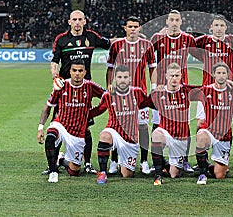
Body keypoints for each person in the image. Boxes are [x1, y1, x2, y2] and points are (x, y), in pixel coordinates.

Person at [41, 10, 110, 175]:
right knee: (57, 126)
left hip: (84, 89)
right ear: (69, 21)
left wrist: (129, 38)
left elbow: (110, 43)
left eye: (80, 19)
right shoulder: (62, 39)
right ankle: (53, 164)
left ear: (85, 21)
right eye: (74, 19)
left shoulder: (91, 37)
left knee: (85, 127)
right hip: (64, 90)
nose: (77, 22)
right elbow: (54, 61)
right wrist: (55, 78)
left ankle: (86, 163)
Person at [36, 59, 106, 183]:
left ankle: (61, 159)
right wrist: (41, 127)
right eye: (74, 70)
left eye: (80, 71)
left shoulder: (90, 86)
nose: (77, 73)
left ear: (85, 72)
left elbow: (106, 97)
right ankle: (53, 171)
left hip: (77, 133)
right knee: (51, 137)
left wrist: (91, 113)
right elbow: (48, 106)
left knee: (74, 171)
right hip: (61, 125)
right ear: (70, 71)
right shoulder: (61, 86)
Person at [106, 16, 157, 175]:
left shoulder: (147, 45)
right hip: (120, 95)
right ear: (125, 28)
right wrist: (109, 85)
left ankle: (143, 161)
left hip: (139, 95)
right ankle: (114, 161)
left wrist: (153, 88)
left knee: (142, 127)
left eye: (136, 26)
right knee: (117, 126)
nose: (133, 29)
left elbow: (152, 68)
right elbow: (110, 67)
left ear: (140, 28)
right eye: (130, 26)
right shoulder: (116, 45)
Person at [151, 10, 200, 173]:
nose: (174, 22)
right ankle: (157, 160)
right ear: (167, 22)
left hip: (181, 89)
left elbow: (201, 53)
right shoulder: (158, 38)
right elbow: (150, 61)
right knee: (157, 124)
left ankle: (184, 160)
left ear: (181, 22)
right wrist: (153, 85)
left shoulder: (188, 39)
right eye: (171, 19)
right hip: (161, 89)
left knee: (183, 124)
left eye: (176, 20)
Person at [90, 65, 150, 184]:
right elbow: (98, 110)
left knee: (127, 175)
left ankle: (124, 162)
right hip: (114, 131)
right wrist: (82, 115)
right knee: (104, 136)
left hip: (130, 138)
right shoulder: (108, 95)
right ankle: (103, 172)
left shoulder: (137, 93)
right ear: (114, 79)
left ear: (130, 79)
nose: (122, 80)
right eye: (119, 77)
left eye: (125, 77)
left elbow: (149, 102)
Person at [194, 62, 233, 185]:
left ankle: (207, 165)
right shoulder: (206, 90)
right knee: (201, 135)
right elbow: (189, 91)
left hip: (225, 136)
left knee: (220, 175)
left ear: (228, 75)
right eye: (218, 73)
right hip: (210, 132)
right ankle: (202, 174)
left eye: (224, 73)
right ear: (213, 74)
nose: (221, 76)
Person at [148, 63, 199, 185]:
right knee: (156, 135)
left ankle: (167, 164)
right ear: (166, 76)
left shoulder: (187, 91)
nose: (174, 78)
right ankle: (158, 174)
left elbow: (206, 89)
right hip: (165, 133)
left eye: (177, 75)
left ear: (181, 76)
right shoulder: (158, 94)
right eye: (171, 75)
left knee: (174, 174)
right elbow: (140, 101)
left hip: (181, 139)